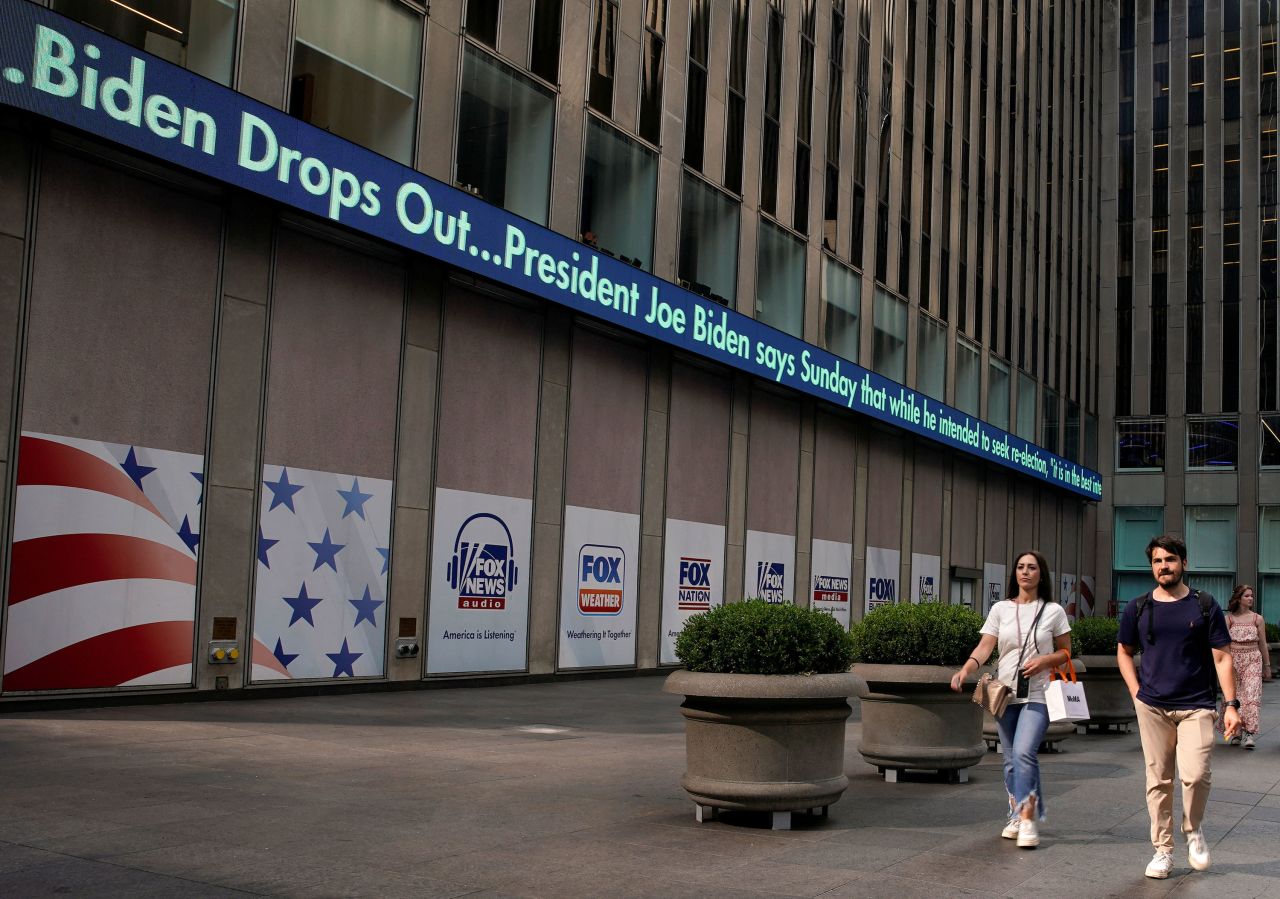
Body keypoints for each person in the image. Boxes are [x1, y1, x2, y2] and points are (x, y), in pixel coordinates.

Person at [1117, 534, 1240, 880]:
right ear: (1151, 566)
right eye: (1157, 561)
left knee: (1196, 774)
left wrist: (1231, 705)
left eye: (1170, 559)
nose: (1163, 566)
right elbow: (1124, 651)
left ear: (1183, 563)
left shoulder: (1204, 604)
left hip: (1197, 704)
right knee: (1158, 779)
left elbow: (1221, 655)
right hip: (1153, 705)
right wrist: (1136, 692)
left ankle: (1193, 829)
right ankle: (1163, 850)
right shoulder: (1138, 607)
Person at [951, 550, 1071, 850]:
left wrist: (1045, 661)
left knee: (1024, 753)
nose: (1025, 572)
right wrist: (966, 669)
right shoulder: (1000, 609)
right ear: (1014, 573)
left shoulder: (1053, 611)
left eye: (1031, 567)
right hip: (1005, 694)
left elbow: (1067, 653)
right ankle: (1017, 814)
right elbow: (985, 646)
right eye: (1020, 567)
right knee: (1009, 761)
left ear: (1041, 574)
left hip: (1038, 695)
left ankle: (1029, 819)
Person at [1217, 584, 1271, 749]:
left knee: (1252, 697)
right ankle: (1236, 732)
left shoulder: (1257, 619)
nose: (1251, 598)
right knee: (1233, 697)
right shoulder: (1229, 619)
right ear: (1239, 598)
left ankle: (1249, 733)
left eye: (1252, 596)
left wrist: (1267, 665)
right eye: (1247, 596)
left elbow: (1263, 643)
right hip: (1233, 661)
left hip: (1253, 659)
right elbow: (1223, 645)